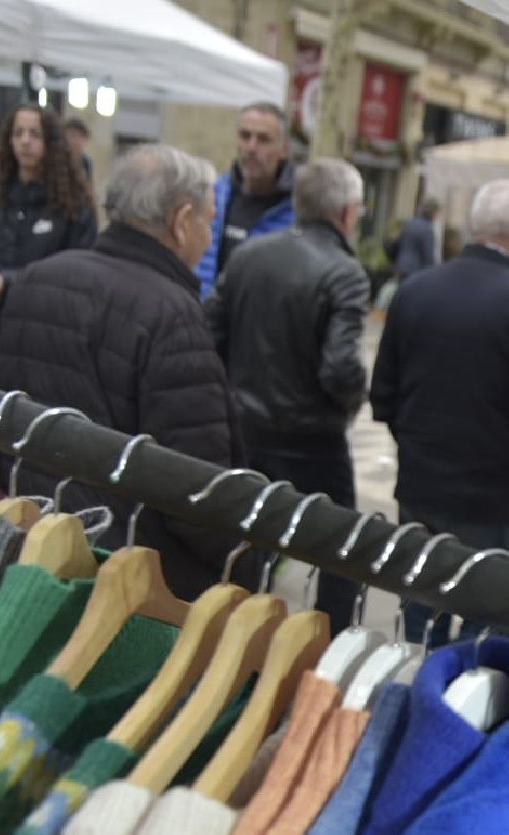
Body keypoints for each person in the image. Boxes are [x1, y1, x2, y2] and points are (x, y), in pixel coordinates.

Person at [0, 145, 256, 599]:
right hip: (129, 572)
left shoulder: (37, 278)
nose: (209, 238)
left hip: (39, 539)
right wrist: (245, 567)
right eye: (208, 222)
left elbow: (1, 422)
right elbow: (196, 492)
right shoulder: (171, 313)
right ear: (181, 220)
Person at [371, 178, 509, 644]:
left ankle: (416, 694)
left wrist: (419, 444)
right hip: (492, 497)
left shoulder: (414, 291)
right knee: (485, 620)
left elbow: (383, 394)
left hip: (419, 486)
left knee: (418, 614)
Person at [206, 158, 370, 633]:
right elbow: (340, 367)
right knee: (342, 551)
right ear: (346, 212)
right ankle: (325, 648)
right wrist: (350, 404)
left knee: (248, 536)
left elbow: (208, 333)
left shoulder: (250, 255)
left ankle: (233, 631)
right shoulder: (344, 272)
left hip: (247, 427)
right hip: (312, 438)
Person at [0, 104, 96, 380]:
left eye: (34, 133)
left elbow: (77, 274)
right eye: (18, 133)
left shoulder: (74, 204)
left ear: (50, 142)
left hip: (50, 341)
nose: (25, 141)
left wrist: (7, 281)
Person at [195, 101, 293, 297]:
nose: (251, 147)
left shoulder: (299, 208)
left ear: (284, 149)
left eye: (264, 139)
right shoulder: (212, 195)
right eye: (245, 136)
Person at [391, 195, 441, 282]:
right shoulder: (428, 230)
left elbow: (397, 243)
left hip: (401, 267)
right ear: (433, 213)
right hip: (415, 271)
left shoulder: (409, 224)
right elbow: (428, 256)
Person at [63, 116, 93, 183]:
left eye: (81, 136)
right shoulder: (57, 160)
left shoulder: (86, 162)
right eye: (72, 135)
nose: (77, 141)